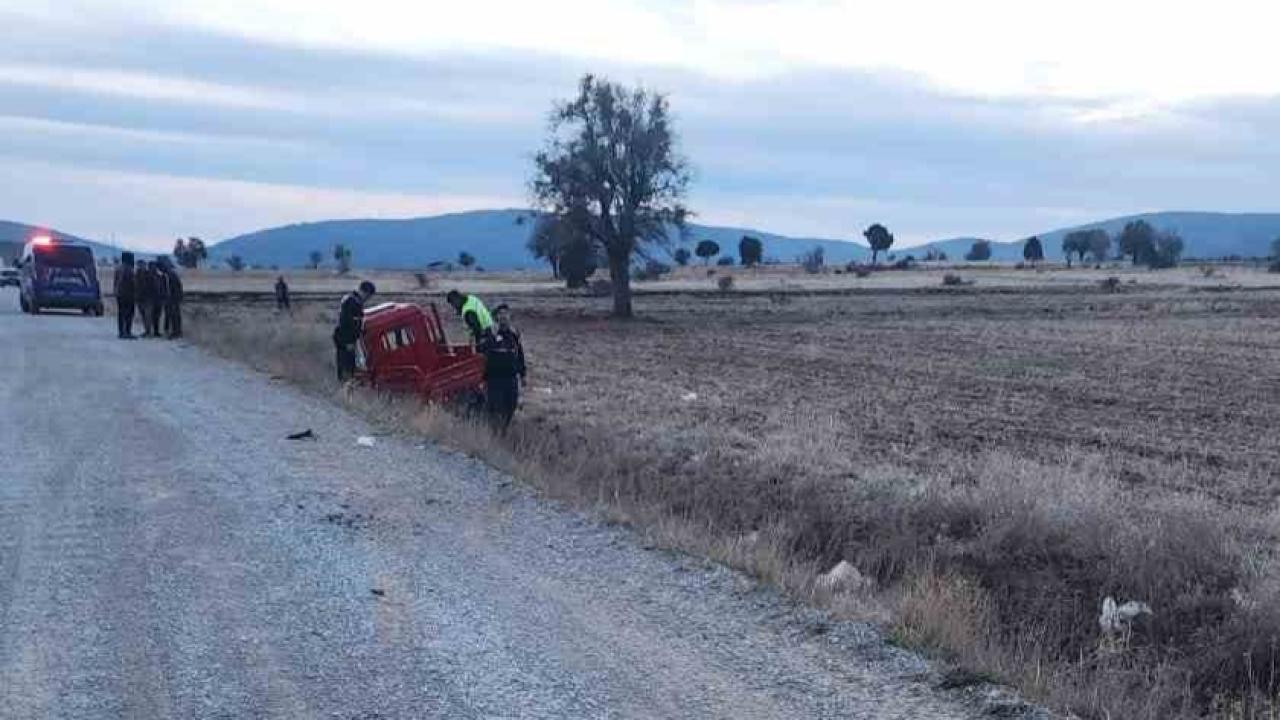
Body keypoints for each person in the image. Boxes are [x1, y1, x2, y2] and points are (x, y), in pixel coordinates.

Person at [478, 303, 527, 431]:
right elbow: (480, 352)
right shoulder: (490, 334)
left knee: (511, 406)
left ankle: (503, 431)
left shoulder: (514, 335)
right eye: (500, 314)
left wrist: (523, 375)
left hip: (511, 378)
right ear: (496, 317)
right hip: (495, 379)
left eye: (506, 313)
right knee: (496, 408)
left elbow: (520, 355)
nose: (504, 317)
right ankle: (493, 434)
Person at [333, 280, 376, 381]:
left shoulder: (350, 299)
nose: (367, 299)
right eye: (368, 296)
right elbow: (346, 323)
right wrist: (348, 342)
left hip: (345, 339)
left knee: (348, 367)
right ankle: (345, 389)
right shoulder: (352, 302)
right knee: (347, 368)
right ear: (365, 292)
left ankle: (346, 388)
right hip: (346, 341)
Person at [113, 252, 137, 339]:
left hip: (120, 294)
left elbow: (116, 282)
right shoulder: (129, 269)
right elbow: (133, 283)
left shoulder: (118, 268)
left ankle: (121, 332)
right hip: (128, 294)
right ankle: (127, 331)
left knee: (121, 313)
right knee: (129, 314)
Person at [135, 260, 156, 337]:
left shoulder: (148, 274)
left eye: (142, 265)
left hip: (148, 298)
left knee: (148, 315)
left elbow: (153, 286)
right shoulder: (137, 274)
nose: (141, 267)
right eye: (139, 265)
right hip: (140, 298)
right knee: (144, 315)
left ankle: (148, 331)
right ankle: (147, 330)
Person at [163, 261, 183, 338]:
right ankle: (176, 331)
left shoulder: (170, 275)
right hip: (173, 299)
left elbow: (173, 289)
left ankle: (176, 332)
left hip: (173, 299)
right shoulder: (171, 275)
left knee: (174, 316)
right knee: (174, 316)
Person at [150, 261, 169, 339]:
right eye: (152, 266)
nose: (153, 268)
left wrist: (165, 296)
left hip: (159, 298)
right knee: (153, 315)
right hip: (152, 298)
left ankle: (156, 331)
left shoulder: (161, 276)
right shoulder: (149, 276)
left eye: (154, 266)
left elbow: (164, 287)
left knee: (157, 315)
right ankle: (153, 331)